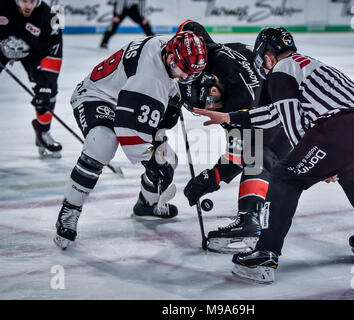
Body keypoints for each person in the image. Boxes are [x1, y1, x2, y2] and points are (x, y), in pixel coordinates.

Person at [194, 27, 354, 283]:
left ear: (267, 58)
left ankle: (264, 256)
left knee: (285, 176)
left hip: (346, 127)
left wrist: (312, 163)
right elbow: (275, 114)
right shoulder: (306, 65)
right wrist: (228, 117)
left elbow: (292, 124)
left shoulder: (280, 72)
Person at [53, 31, 207, 249]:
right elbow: (129, 132)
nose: (185, 78)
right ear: (171, 58)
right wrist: (151, 161)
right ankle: (70, 209)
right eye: (184, 72)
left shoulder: (167, 48)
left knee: (168, 159)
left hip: (125, 96)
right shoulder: (149, 78)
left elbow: (188, 34)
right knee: (103, 143)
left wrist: (174, 101)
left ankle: (147, 204)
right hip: (97, 96)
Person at [176, 20, 292, 254]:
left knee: (259, 154)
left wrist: (212, 178)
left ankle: (249, 219)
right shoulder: (219, 54)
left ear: (215, 87)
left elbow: (243, 152)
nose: (214, 108)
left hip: (290, 124)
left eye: (213, 103)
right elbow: (190, 25)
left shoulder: (238, 103)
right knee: (257, 149)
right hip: (289, 109)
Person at [0, 0, 63, 158]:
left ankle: (43, 132)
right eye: (24, 1)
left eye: (32, 1)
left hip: (34, 55)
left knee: (49, 91)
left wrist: (45, 86)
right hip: (2, 48)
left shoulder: (51, 17)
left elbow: (54, 53)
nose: (28, 6)